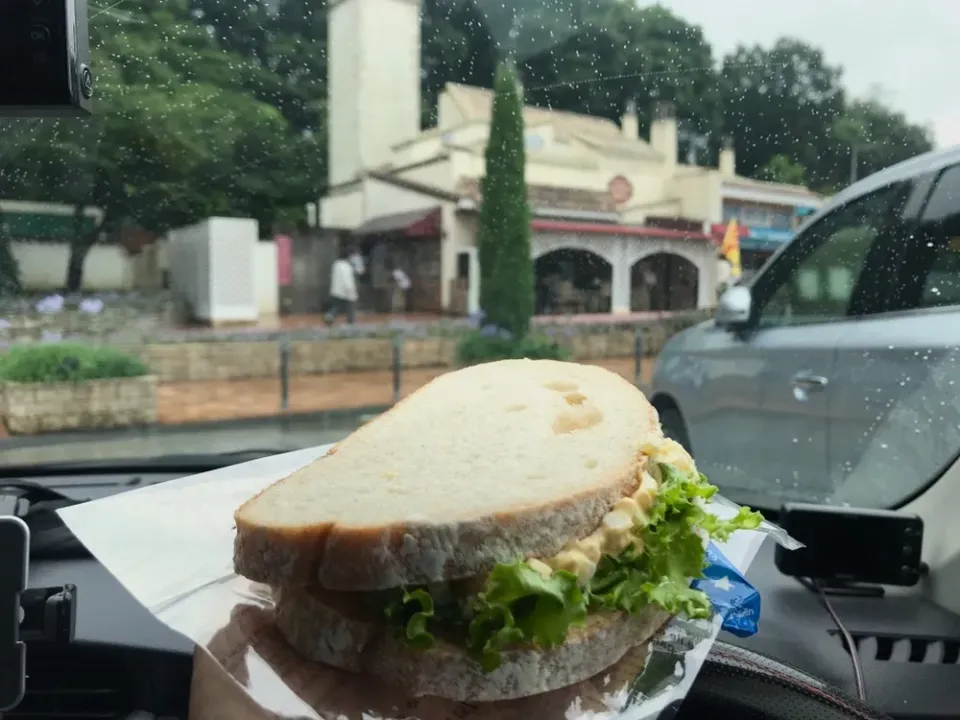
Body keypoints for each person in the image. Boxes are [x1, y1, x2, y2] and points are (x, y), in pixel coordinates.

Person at [325, 245, 360, 324]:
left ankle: (329, 316)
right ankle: (351, 321)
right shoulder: (346, 266)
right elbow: (347, 280)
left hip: (336, 290)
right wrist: (351, 290)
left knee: (337, 306)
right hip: (346, 291)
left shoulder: (337, 264)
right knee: (350, 307)